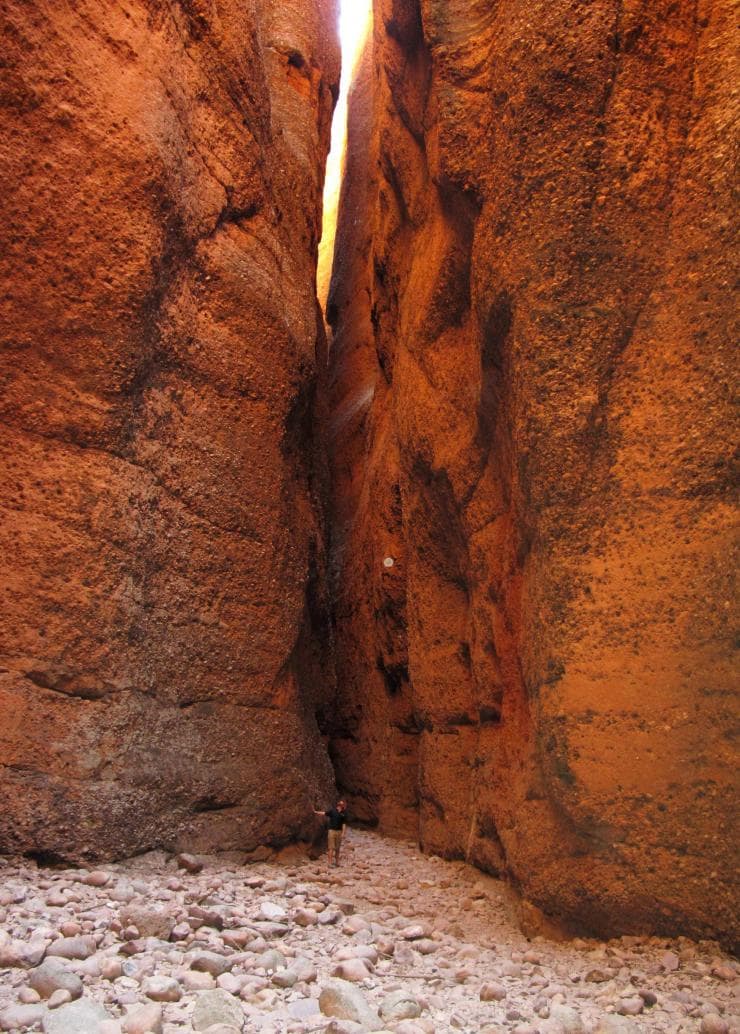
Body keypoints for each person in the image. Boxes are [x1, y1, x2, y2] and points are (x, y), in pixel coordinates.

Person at [313, 799, 347, 868]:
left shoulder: (344, 814)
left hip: (339, 832)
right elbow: (324, 813)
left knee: (337, 848)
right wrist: (316, 812)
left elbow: (344, 824)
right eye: (340, 804)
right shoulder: (332, 811)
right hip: (331, 831)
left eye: (342, 805)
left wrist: (343, 833)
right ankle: (330, 863)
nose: (341, 806)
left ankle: (337, 862)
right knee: (331, 848)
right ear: (338, 805)